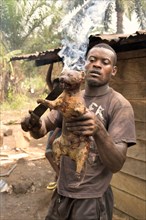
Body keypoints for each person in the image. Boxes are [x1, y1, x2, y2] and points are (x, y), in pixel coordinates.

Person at [21, 43, 136, 220]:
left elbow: (116, 164)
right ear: (85, 67)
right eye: (92, 60)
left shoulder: (119, 105)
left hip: (92, 199)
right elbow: (42, 129)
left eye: (104, 62)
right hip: (62, 193)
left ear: (113, 71)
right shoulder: (70, 97)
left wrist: (99, 130)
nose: (97, 64)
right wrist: (34, 125)